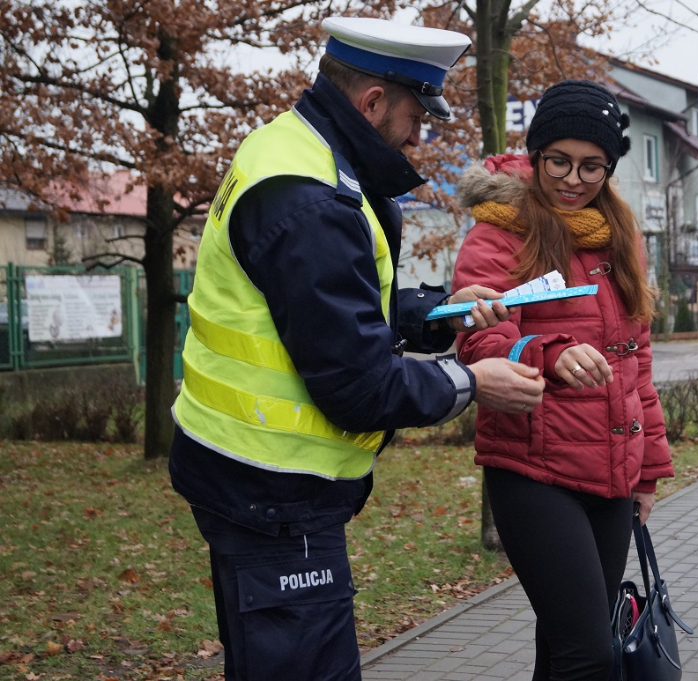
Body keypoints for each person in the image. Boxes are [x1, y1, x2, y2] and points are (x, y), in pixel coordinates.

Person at [168, 17, 546, 681]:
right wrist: (471, 380)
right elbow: (359, 385)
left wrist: (438, 315)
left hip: (250, 477)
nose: (418, 137)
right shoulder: (314, 199)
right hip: (274, 492)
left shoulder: (294, 152)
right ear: (372, 102)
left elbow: (327, 307)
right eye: (414, 116)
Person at [451, 80, 675, 680]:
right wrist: (548, 353)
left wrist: (649, 467)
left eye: (592, 166)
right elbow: (481, 336)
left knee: (567, 647)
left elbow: (637, 361)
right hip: (533, 468)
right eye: (559, 161)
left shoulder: (620, 238)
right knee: (589, 657)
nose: (574, 180)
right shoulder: (500, 229)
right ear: (535, 154)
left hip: (612, 470)